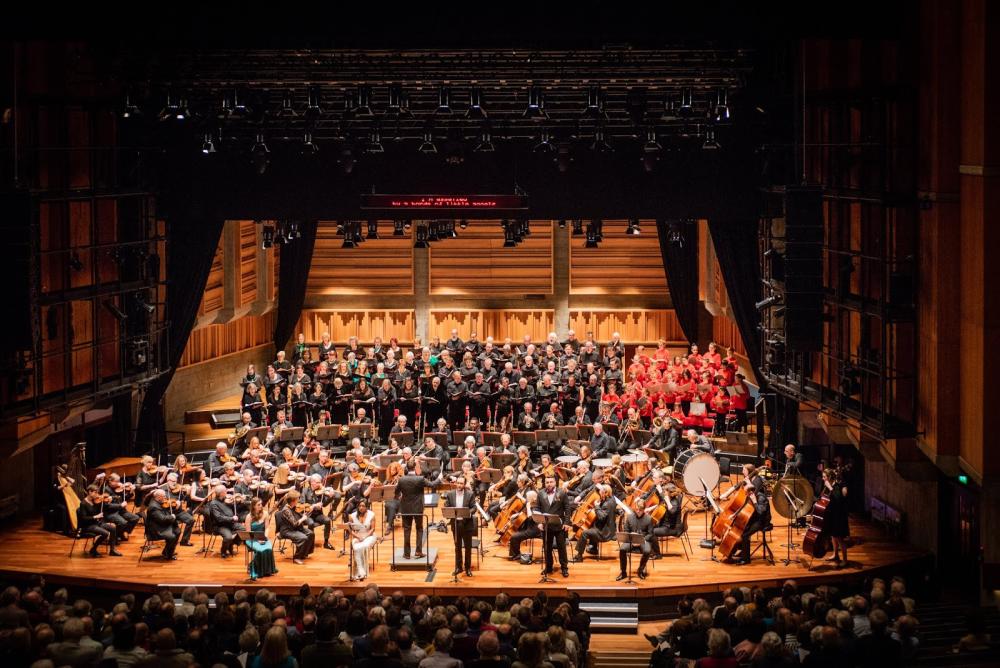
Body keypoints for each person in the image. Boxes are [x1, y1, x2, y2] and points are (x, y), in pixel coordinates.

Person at [536, 475, 571, 578]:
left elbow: (567, 508)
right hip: (546, 526)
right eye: (547, 482)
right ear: (544, 483)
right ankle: (549, 567)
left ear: (555, 482)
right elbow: (537, 508)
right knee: (547, 548)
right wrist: (539, 522)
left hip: (559, 525)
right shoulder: (540, 493)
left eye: (551, 482)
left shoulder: (562, 492)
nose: (549, 484)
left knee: (561, 547)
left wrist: (567, 523)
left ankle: (564, 568)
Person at [572, 484, 615, 562]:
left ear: (605, 493)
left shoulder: (607, 504)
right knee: (589, 523)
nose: (599, 493)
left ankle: (579, 556)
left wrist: (597, 507)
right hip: (608, 527)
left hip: (604, 532)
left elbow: (601, 517)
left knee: (584, 533)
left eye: (601, 492)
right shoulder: (611, 499)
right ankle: (593, 548)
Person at [397, 459, 431, 559]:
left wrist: (399, 496)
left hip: (406, 508)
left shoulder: (402, 479)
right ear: (415, 467)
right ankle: (418, 551)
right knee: (419, 529)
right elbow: (433, 484)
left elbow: (396, 492)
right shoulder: (420, 479)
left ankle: (407, 554)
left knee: (407, 530)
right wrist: (440, 477)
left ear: (407, 468)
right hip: (417, 508)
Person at [444, 475, 477, 577]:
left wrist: (467, 513)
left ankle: (467, 568)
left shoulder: (470, 494)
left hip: (467, 524)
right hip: (456, 524)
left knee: (468, 548)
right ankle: (459, 567)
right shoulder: (450, 494)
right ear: (456, 483)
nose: (459, 485)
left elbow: (474, 507)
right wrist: (447, 509)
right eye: (458, 483)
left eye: (461, 483)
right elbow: (447, 505)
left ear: (464, 484)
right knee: (457, 547)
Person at [77, 485, 122, 557]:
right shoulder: (83, 503)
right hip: (88, 526)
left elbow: (103, 508)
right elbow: (83, 518)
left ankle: (112, 550)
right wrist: (95, 516)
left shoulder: (95, 501)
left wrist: (107, 502)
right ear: (90, 492)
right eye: (95, 492)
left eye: (97, 492)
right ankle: (93, 549)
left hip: (96, 523)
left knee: (113, 528)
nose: (97, 494)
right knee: (105, 533)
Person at [276, 490, 316, 565]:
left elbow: (297, 517)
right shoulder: (286, 510)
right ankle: (297, 557)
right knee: (303, 538)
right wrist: (303, 519)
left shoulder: (293, 506)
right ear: (293, 501)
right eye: (297, 499)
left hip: (295, 528)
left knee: (311, 533)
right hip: (287, 530)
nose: (299, 500)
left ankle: (304, 553)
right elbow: (294, 523)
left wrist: (307, 511)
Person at [822, 467, 850, 567]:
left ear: (829, 477)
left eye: (824, 477)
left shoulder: (836, 486)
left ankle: (845, 560)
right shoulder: (831, 485)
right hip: (833, 515)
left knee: (839, 538)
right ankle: (835, 554)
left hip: (839, 516)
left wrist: (829, 487)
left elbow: (838, 498)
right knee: (833, 536)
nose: (823, 479)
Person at [618, 501, 654, 580]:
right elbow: (626, 530)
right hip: (631, 539)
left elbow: (650, 534)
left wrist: (642, 540)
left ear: (644, 510)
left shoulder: (648, 519)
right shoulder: (630, 517)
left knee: (647, 551)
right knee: (622, 549)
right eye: (637, 509)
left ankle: (640, 570)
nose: (638, 511)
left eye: (640, 510)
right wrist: (632, 538)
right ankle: (623, 572)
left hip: (643, 540)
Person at [244, 497, 278, 580]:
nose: (261, 506)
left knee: (269, 548)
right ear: (254, 506)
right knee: (260, 550)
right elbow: (248, 533)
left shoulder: (265, 514)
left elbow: (267, 528)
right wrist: (258, 540)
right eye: (258, 505)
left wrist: (265, 537)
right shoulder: (248, 517)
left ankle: (267, 570)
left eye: (261, 504)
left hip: (263, 537)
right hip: (252, 539)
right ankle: (253, 568)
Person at [146, 489, 181, 560]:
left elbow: (164, 513)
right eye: (164, 496)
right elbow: (162, 519)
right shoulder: (153, 507)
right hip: (156, 529)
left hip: (160, 525)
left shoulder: (158, 502)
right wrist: (172, 517)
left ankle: (167, 551)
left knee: (177, 531)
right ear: (158, 497)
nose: (166, 498)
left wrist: (174, 507)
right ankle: (169, 555)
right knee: (172, 536)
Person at [349, 499, 378, 580]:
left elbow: (372, 529)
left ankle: (360, 571)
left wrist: (365, 537)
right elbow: (350, 530)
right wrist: (357, 537)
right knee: (357, 547)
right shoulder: (352, 516)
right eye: (359, 506)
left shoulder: (371, 514)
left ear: (366, 507)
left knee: (363, 546)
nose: (361, 508)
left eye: (363, 506)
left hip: (369, 536)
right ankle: (361, 571)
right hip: (357, 536)